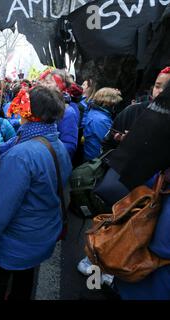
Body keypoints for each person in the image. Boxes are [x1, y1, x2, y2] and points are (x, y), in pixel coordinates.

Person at [0, 86, 72, 300]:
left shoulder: (21, 156)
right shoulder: (52, 141)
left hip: (15, 240)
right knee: (24, 280)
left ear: (29, 112)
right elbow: (7, 146)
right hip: (40, 234)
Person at [104, 84, 170, 299]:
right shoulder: (136, 113)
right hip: (132, 273)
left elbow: (162, 246)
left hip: (144, 279)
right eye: (157, 85)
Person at [102, 66, 170, 152]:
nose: (160, 91)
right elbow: (107, 144)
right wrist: (123, 145)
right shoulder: (132, 111)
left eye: (167, 88)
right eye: (157, 86)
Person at [40, 69, 79, 159]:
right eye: (44, 81)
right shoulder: (41, 105)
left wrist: (40, 153)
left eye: (48, 82)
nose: (43, 85)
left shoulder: (68, 112)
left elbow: (69, 147)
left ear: (60, 86)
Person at [83, 88, 122, 161]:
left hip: (93, 157)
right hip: (95, 161)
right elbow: (110, 142)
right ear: (107, 103)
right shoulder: (101, 119)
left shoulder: (97, 112)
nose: (115, 106)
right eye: (114, 104)